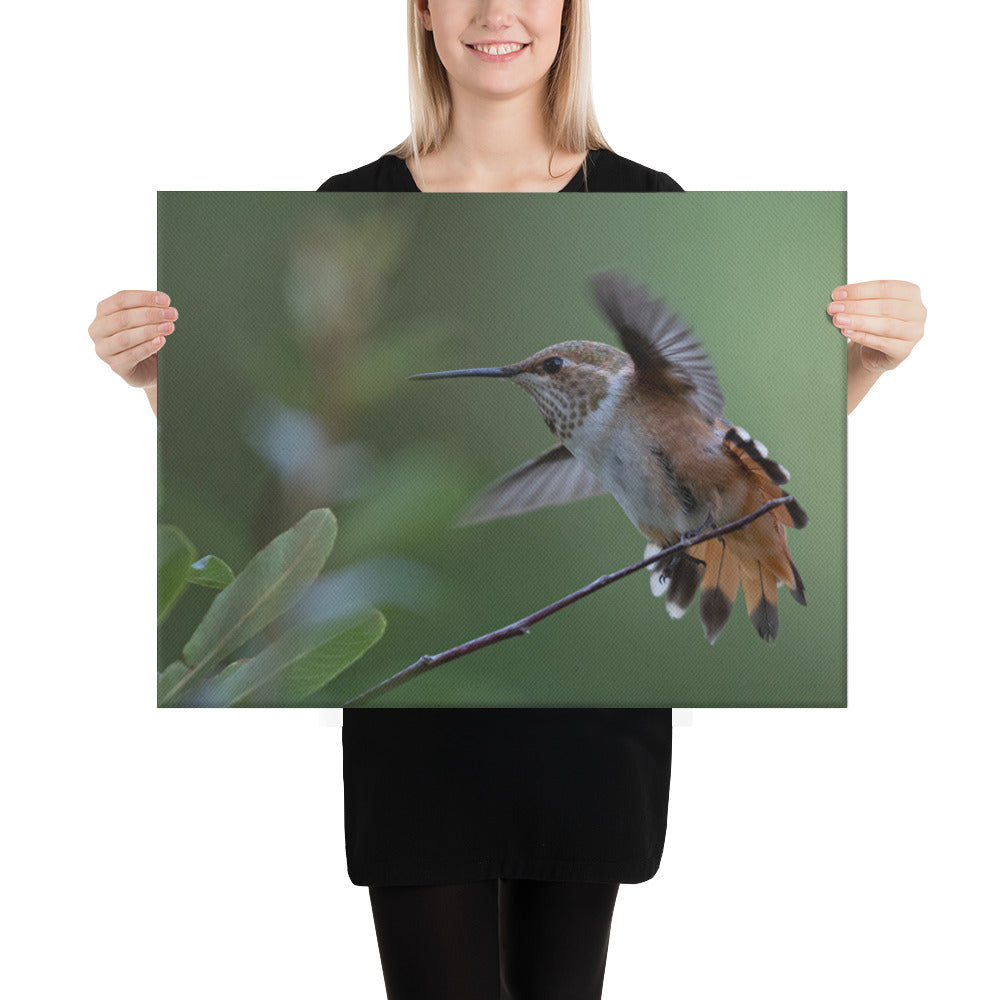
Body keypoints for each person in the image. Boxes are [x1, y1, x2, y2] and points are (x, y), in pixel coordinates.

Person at [89, 2, 925, 997]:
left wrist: (868, 366)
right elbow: (296, 445)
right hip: (420, 761)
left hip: (590, 752)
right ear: (425, 16)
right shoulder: (350, 199)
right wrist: (151, 381)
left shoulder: (641, 196)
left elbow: (710, 446)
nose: (497, 11)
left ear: (570, 17)